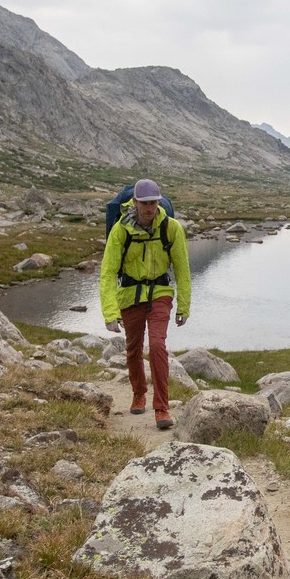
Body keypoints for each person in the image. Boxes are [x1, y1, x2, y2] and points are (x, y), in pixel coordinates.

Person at [99, 178, 191, 429]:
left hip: (160, 292)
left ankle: (162, 408)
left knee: (158, 345)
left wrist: (184, 306)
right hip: (130, 294)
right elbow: (108, 273)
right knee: (133, 348)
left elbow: (182, 269)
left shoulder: (171, 228)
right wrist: (110, 312)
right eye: (144, 203)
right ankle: (139, 392)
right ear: (135, 202)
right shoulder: (121, 230)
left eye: (153, 203)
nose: (149, 208)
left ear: (158, 202)